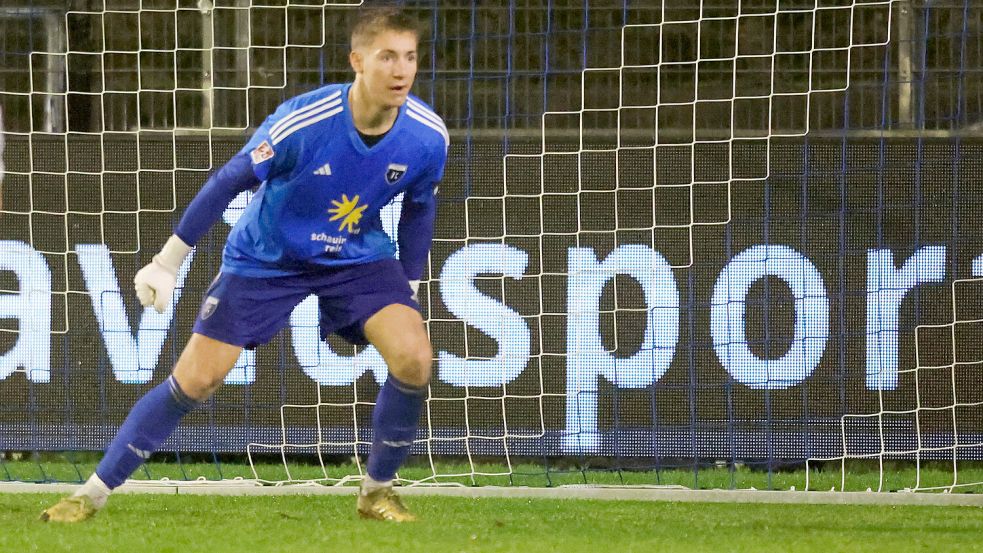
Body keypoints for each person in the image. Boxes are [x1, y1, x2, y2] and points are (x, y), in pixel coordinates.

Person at [41, 6, 445, 523]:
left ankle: (377, 493)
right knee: (197, 380)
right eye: (387, 56)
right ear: (357, 62)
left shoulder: (426, 135)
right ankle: (88, 496)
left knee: (414, 358)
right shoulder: (305, 121)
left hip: (356, 258)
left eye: (409, 57)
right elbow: (230, 179)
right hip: (267, 258)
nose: (401, 70)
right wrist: (168, 262)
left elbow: (420, 208)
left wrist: (408, 283)